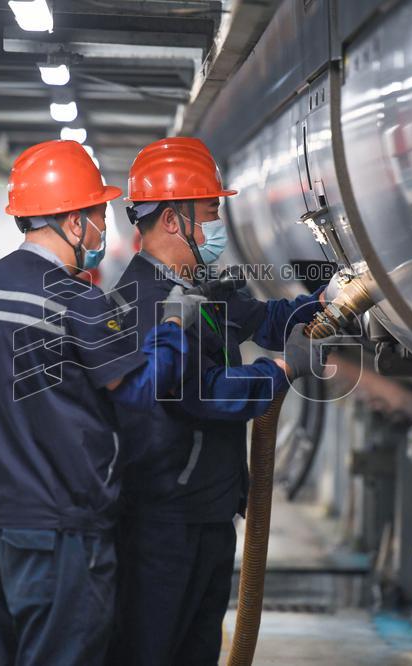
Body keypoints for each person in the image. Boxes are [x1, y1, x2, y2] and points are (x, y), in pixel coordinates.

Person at [0, 140, 207, 666]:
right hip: (64, 537)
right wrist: (172, 329)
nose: (101, 229)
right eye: (97, 216)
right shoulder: (77, 301)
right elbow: (140, 392)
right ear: (74, 222)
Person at [108, 137, 334, 666]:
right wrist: (277, 373)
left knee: (197, 648)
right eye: (210, 212)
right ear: (172, 220)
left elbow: (266, 322)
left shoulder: (201, 289)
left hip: (208, 508)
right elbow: (198, 392)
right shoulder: (141, 303)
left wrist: (326, 302)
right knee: (151, 651)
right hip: (163, 517)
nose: (218, 226)